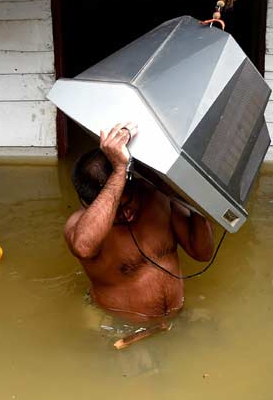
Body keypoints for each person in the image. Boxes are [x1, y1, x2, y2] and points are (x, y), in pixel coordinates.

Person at [64, 123, 215, 324]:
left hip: (175, 317)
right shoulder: (78, 226)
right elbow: (83, 247)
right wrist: (119, 170)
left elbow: (202, 253)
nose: (126, 214)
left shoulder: (157, 198)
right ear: (88, 204)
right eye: (116, 209)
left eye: (128, 202)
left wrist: (194, 200)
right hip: (120, 327)